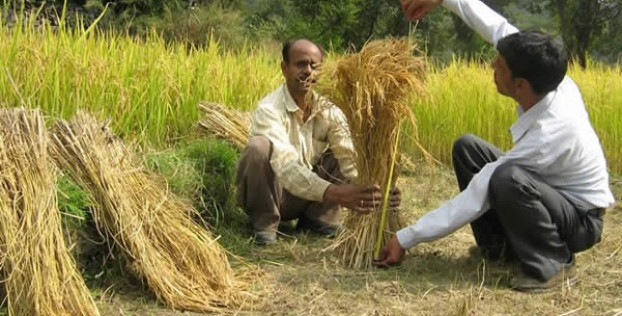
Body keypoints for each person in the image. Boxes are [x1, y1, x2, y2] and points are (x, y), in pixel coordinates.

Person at [375, 0, 615, 293]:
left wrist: (406, 238)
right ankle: (499, 249)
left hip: (579, 220)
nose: (492, 66)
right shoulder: (551, 79)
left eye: (499, 66)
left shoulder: (550, 132)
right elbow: (496, 26)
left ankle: (554, 265)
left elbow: (479, 193)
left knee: (506, 177)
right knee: (468, 148)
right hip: (552, 195)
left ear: (520, 86)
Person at [236, 38, 400, 245]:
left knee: (343, 151)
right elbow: (286, 168)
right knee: (257, 148)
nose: (308, 71)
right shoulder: (269, 110)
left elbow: (349, 160)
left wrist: (377, 192)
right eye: (300, 64)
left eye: (314, 66)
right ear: (284, 68)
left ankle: (316, 219)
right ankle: (264, 224)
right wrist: (337, 193)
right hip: (275, 195)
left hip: (311, 196)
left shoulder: (330, 111)